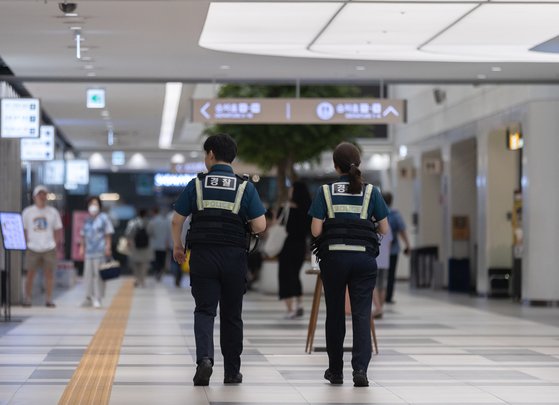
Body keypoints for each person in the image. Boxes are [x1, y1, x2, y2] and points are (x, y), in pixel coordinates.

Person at [171, 133, 266, 386]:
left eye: (205, 154)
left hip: (202, 256)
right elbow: (260, 225)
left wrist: (177, 246)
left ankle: (205, 360)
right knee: (232, 314)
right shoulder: (245, 186)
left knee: (204, 310)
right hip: (234, 257)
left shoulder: (197, 185)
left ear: (211, 154)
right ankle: (232, 372)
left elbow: (177, 220)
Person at [309, 142, 389, 387]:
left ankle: (335, 371)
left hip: (333, 260)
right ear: (359, 164)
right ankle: (360, 371)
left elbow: (315, 230)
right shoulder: (371, 192)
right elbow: (384, 229)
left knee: (334, 315)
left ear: (335, 166)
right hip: (364, 260)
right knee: (362, 315)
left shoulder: (325, 192)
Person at [22, 185, 63, 307]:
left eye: (44, 194)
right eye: (40, 194)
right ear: (35, 196)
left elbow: (58, 229)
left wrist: (55, 243)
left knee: (49, 274)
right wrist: (26, 243)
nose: (42, 196)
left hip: (49, 247)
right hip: (32, 247)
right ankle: (27, 299)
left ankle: (49, 299)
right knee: (30, 274)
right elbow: (24, 229)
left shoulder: (53, 212)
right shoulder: (28, 212)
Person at [278, 181, 311, 319]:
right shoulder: (308, 210)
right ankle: (299, 304)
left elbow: (279, 224)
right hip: (301, 246)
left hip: (286, 246)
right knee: (295, 275)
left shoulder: (286, 208)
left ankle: (290, 308)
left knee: (285, 275)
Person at [79, 196, 114, 308]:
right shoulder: (87, 219)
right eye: (91, 204)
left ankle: (98, 298)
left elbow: (108, 234)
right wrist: (82, 247)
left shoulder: (104, 218)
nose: (93, 207)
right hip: (89, 252)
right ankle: (88, 297)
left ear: (99, 206)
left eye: (96, 204)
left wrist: (108, 247)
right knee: (88, 275)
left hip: (100, 251)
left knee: (98, 276)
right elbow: (83, 235)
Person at [383, 191, 411, 304]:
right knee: (391, 274)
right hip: (393, 250)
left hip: (379, 250)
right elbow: (402, 231)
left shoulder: (378, 213)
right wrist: (408, 245)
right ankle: (388, 297)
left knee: (378, 274)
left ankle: (377, 296)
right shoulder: (395, 214)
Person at [125, 209, 153, 287]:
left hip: (134, 246)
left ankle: (136, 278)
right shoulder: (149, 223)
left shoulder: (132, 222)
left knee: (135, 264)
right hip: (146, 247)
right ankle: (142, 280)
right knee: (144, 264)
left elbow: (128, 233)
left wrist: (129, 242)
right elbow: (152, 233)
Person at [372, 226, 392, 319]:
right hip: (385, 260)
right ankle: (381, 308)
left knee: (373, 284)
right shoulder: (387, 225)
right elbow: (390, 243)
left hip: (375, 258)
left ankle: (378, 308)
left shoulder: (373, 225)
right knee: (382, 285)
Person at [148, 207, 170, 281]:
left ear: (153, 212)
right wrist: (168, 243)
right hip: (164, 244)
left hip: (154, 245)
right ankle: (160, 271)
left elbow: (149, 233)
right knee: (162, 259)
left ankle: (156, 271)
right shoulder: (165, 221)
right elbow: (168, 233)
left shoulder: (152, 222)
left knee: (155, 259)